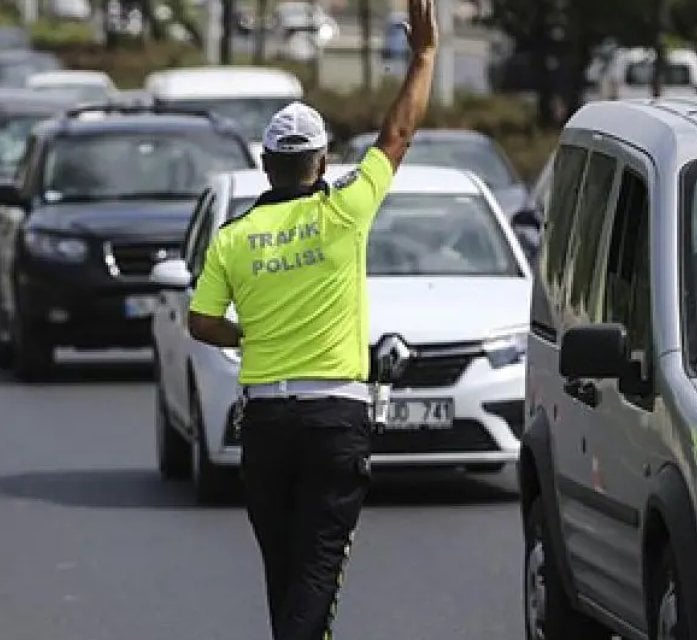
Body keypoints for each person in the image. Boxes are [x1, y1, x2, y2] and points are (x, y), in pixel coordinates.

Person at [185, 0, 439, 637]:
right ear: (322, 163)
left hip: (267, 422)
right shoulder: (346, 210)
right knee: (317, 569)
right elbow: (397, 136)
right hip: (335, 420)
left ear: (266, 165)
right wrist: (425, 56)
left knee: (285, 569)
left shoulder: (234, 237)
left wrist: (253, 333)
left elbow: (200, 322)